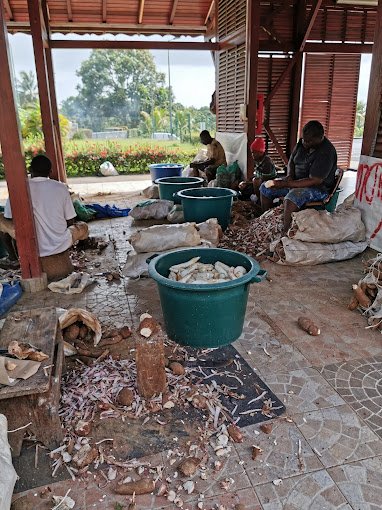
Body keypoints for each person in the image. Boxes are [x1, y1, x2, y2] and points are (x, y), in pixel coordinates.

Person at [0, 154, 88, 268]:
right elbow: (70, 221)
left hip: (30, 245)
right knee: (83, 227)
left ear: (30, 170)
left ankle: (13, 258)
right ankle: (81, 248)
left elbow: (9, 217)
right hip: (61, 243)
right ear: (50, 171)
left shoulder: (19, 189)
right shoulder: (61, 188)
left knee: (1, 219)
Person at [259, 120, 337, 232]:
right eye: (304, 139)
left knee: (292, 196)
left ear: (320, 138)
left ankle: (285, 232)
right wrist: (290, 175)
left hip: (317, 189)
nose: (305, 143)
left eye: (309, 141)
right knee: (265, 188)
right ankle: (265, 221)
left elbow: (315, 180)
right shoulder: (302, 142)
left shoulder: (326, 152)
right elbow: (291, 161)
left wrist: (287, 184)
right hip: (294, 182)